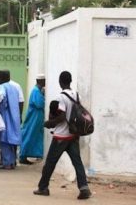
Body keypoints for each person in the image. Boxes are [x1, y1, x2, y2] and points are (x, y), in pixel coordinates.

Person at [34, 71, 92, 200]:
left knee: (50, 163)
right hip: (73, 135)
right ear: (70, 81)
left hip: (61, 136)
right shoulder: (77, 96)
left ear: (60, 81)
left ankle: (43, 188)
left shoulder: (61, 97)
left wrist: (49, 123)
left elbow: (61, 117)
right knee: (77, 162)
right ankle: (84, 188)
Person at [0, 70, 21, 169]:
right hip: (14, 117)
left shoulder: (2, 87)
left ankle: (7, 163)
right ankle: (12, 162)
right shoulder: (14, 88)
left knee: (4, 140)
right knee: (11, 141)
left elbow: (2, 98)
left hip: (5, 116)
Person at [19, 74, 46, 165]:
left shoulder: (38, 91)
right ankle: (23, 155)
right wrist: (44, 97)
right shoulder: (35, 91)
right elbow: (39, 104)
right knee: (29, 135)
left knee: (36, 136)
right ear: (41, 81)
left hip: (37, 118)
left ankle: (36, 154)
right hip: (34, 117)